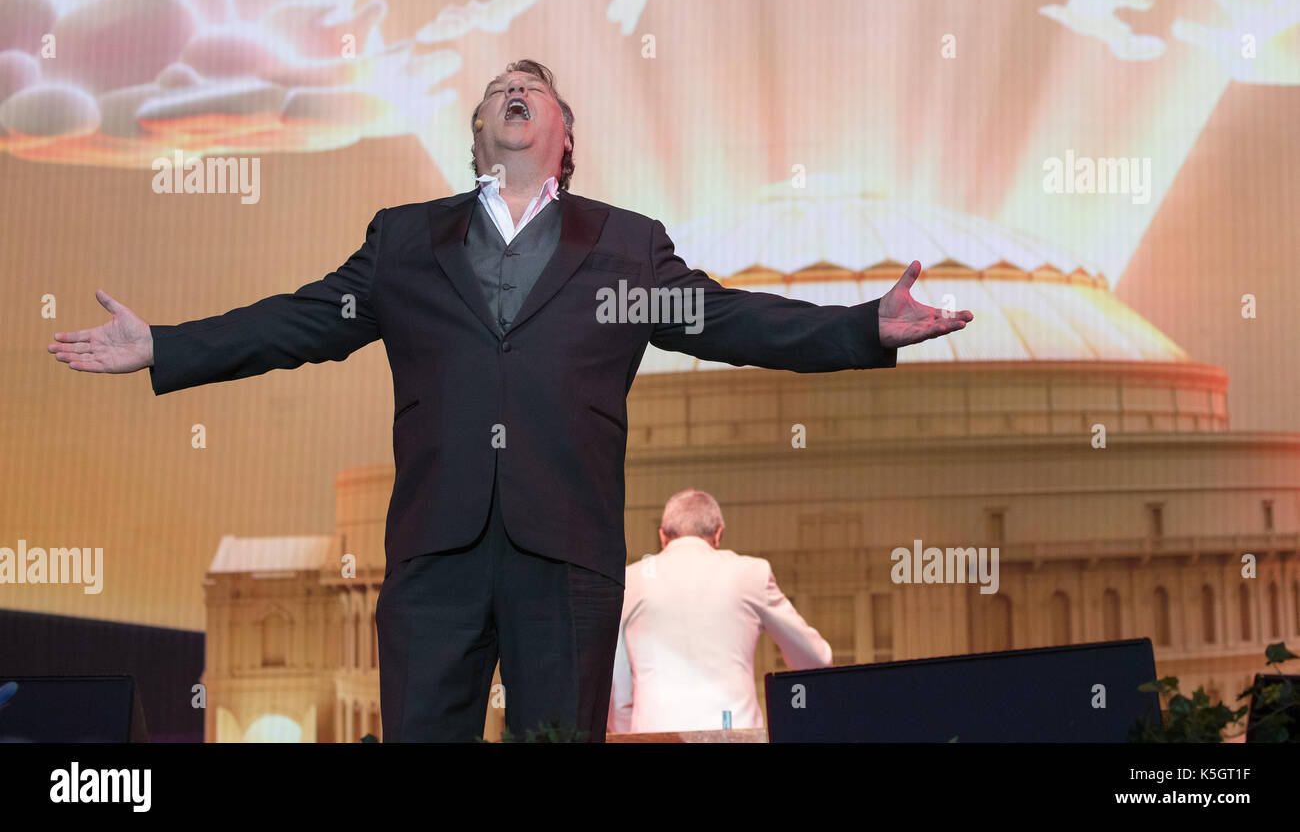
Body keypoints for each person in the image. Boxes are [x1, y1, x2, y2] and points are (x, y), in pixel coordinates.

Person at [46, 59, 972, 742]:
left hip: (564, 562)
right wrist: (166, 346)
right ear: (479, 136)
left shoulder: (624, 249)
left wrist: (860, 327)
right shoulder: (407, 244)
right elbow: (301, 322)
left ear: (565, 137)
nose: (512, 92)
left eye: (532, 88)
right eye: (497, 90)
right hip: (433, 564)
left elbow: (724, 320)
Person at [608, 489, 832, 734]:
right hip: (732, 733)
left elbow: (617, 688)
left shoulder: (630, 580)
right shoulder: (750, 574)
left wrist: (631, 733)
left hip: (654, 735)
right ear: (718, 533)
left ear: (663, 537)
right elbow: (815, 659)